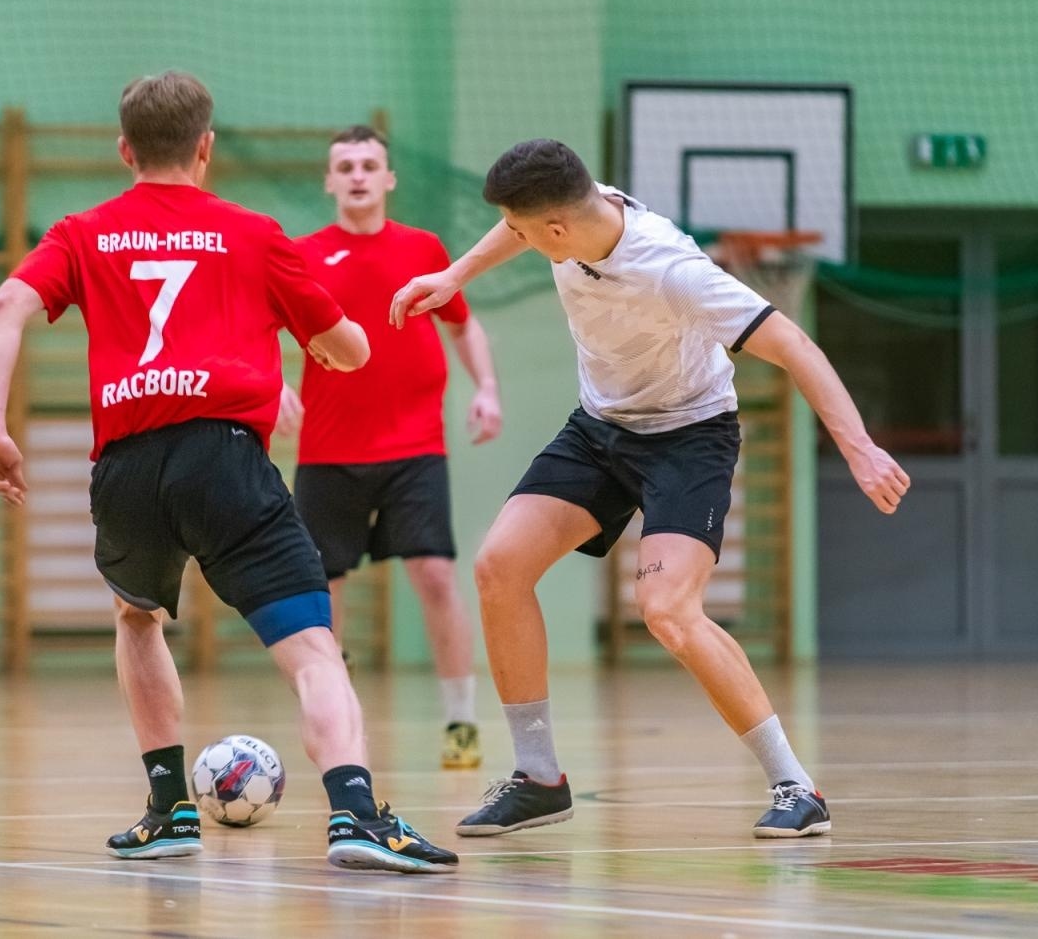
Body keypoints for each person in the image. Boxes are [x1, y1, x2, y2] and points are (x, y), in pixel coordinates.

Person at [0, 71, 456, 873]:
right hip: (225, 457)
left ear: (125, 150)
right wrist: (316, 349)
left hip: (126, 465)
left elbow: (5, 308)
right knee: (310, 645)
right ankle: (358, 816)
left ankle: (169, 810)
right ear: (206, 148)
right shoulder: (255, 233)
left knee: (136, 617)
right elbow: (351, 348)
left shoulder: (83, 231)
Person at [390, 139, 910, 839]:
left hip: (689, 436)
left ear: (556, 233)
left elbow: (795, 346)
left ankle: (796, 784)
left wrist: (861, 448)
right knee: (498, 567)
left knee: (668, 610)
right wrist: (455, 275)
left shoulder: (672, 268)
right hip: (600, 427)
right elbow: (518, 223)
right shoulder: (576, 209)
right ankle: (540, 777)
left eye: (524, 230)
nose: (516, 236)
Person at [277, 125, 501, 770]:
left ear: (388, 178)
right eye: (344, 165)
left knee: (434, 575)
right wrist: (274, 385)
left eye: (368, 164)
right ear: (329, 180)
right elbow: (266, 327)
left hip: (414, 446)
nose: (356, 175)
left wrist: (485, 387)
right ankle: (337, 720)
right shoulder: (304, 255)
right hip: (327, 449)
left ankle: (461, 722)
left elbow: (463, 325)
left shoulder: (424, 248)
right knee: (324, 590)